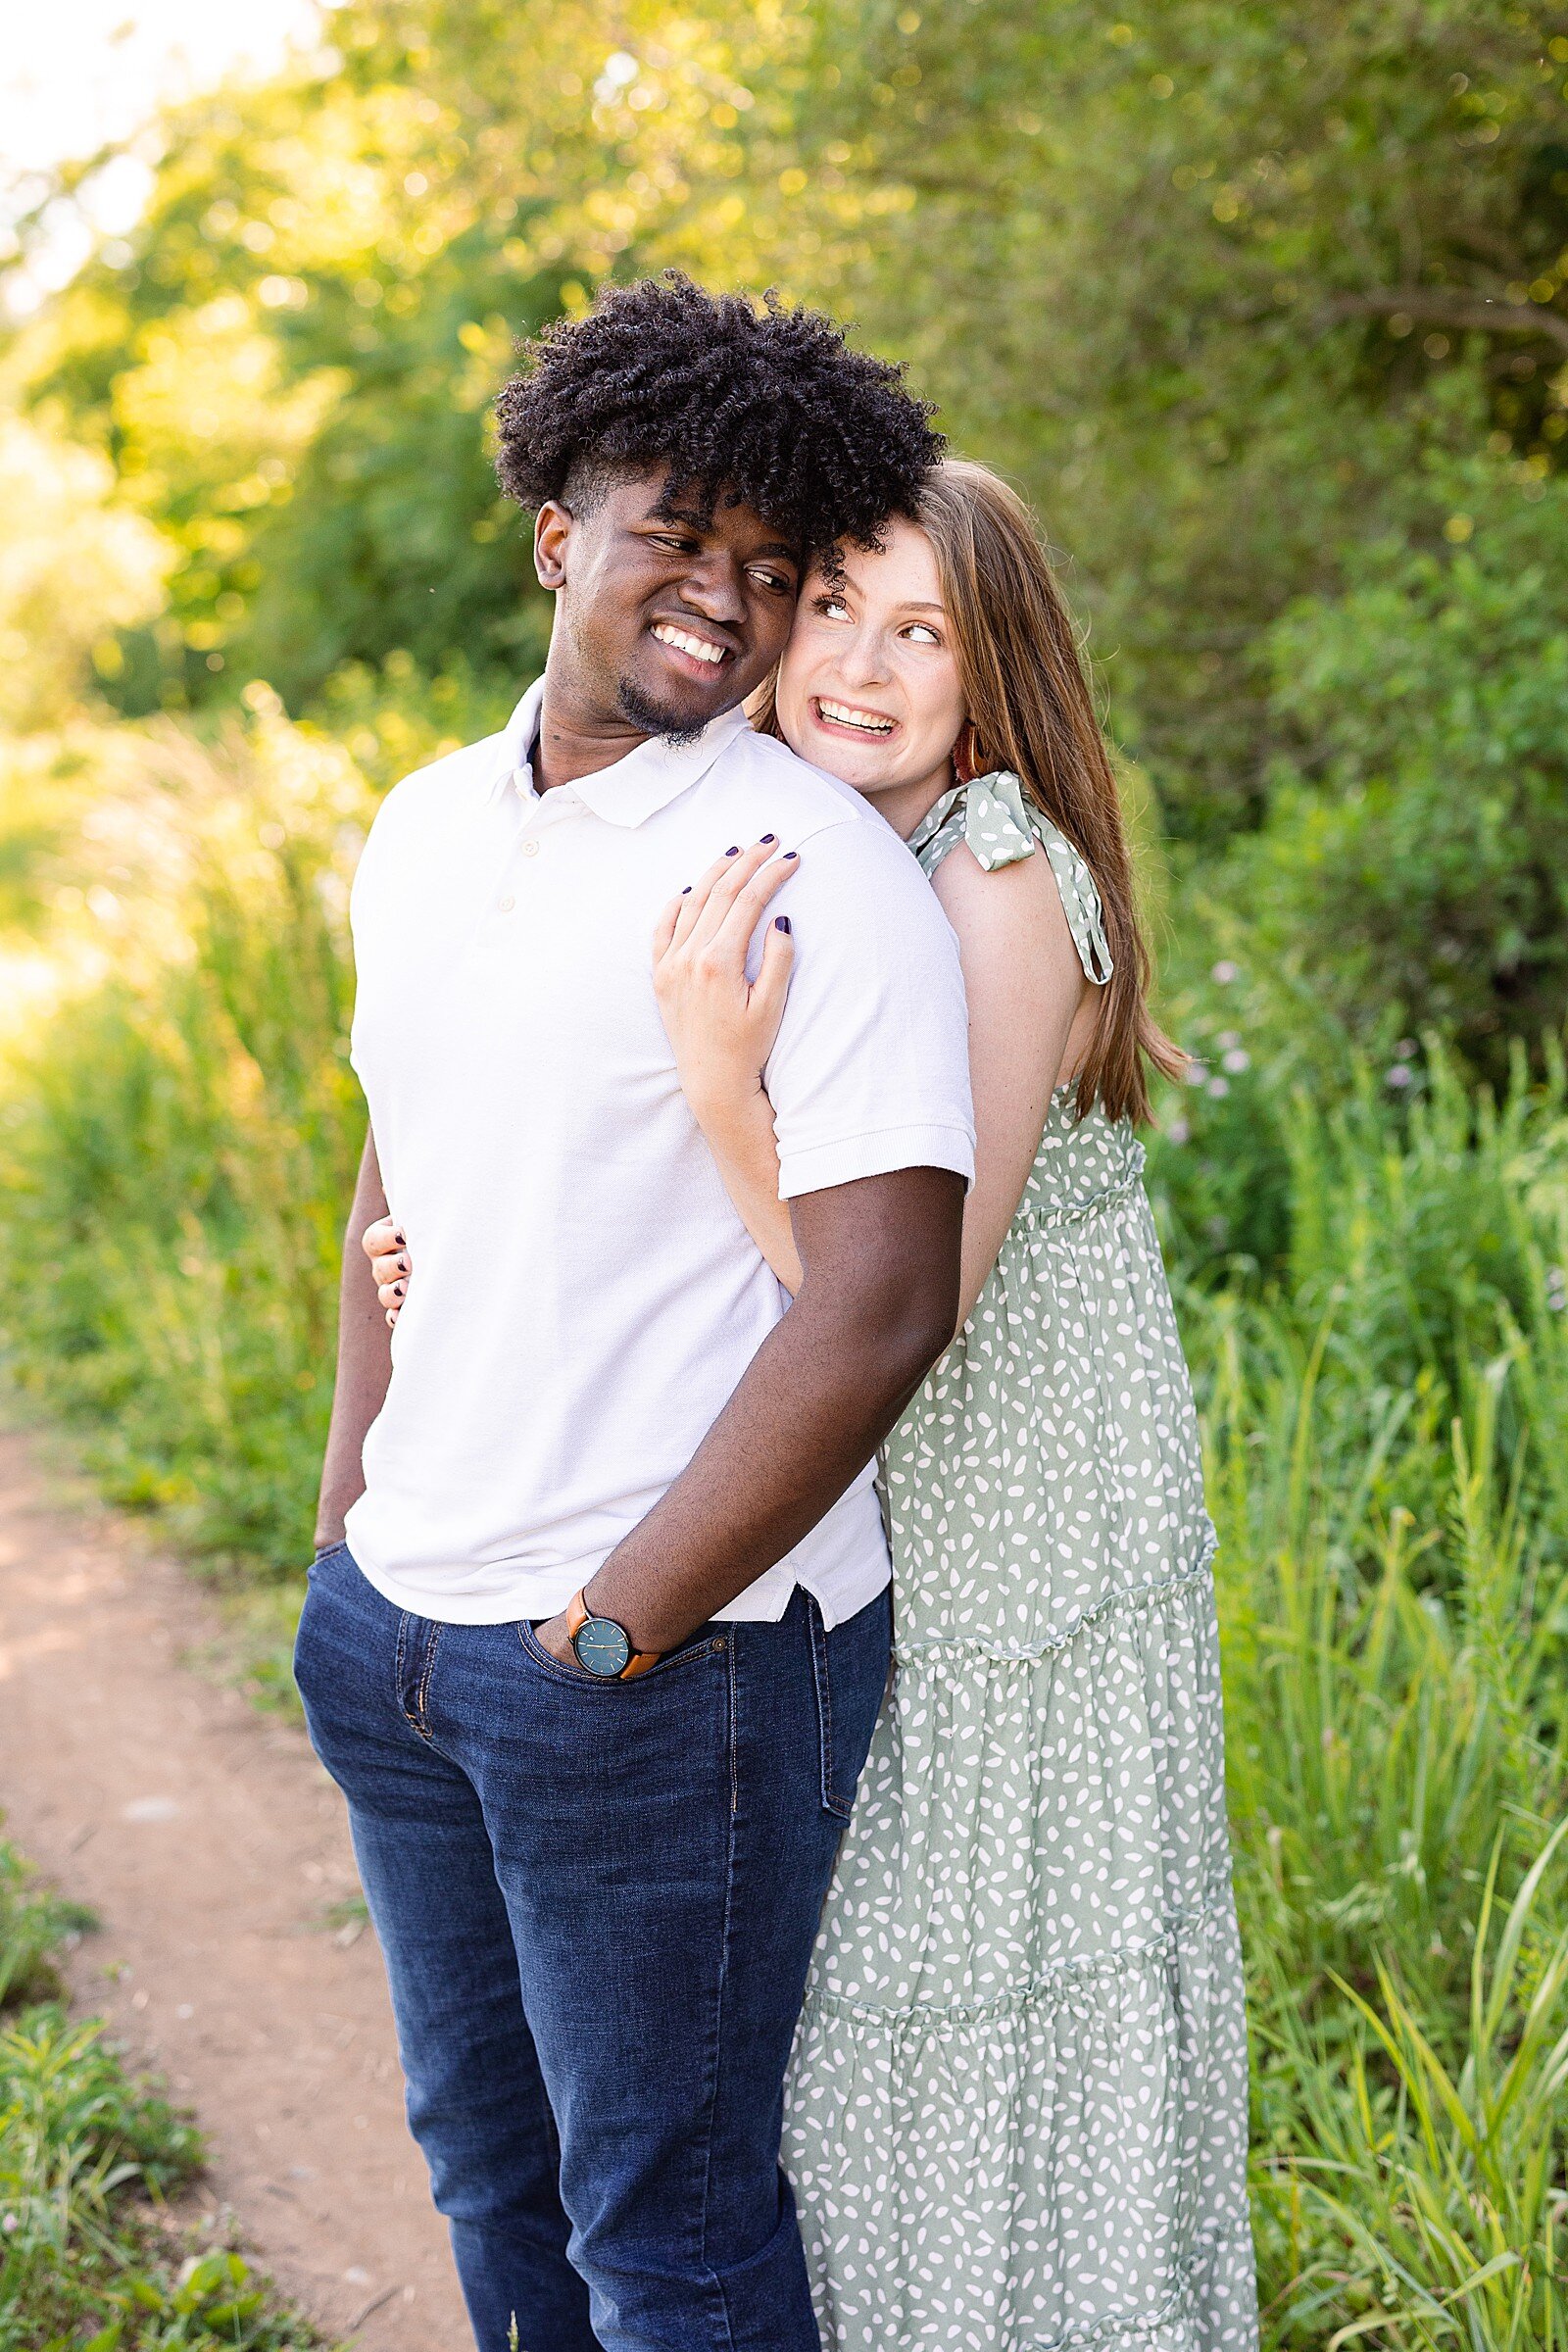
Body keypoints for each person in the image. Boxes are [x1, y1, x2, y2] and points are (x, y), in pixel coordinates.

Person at [375, 458, 1259, 2348]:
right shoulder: (783, 836)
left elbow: (894, 1292)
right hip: (867, 1495)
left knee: (975, 1985)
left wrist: (717, 1080)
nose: (857, 660)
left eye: (919, 628)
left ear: (992, 662)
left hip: (1006, 1510)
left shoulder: (994, 879)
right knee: (837, 2016)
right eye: (831, 604)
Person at [294, 275, 978, 2352]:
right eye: (676, 533)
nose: (723, 597)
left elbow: (879, 1305)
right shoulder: (421, 826)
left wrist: (616, 1628)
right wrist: (346, 1529)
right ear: (555, 536)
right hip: (399, 1633)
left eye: (772, 572)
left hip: (649, 1668)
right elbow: (392, 1160)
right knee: (484, 2165)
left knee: (663, 2231)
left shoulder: (805, 870)